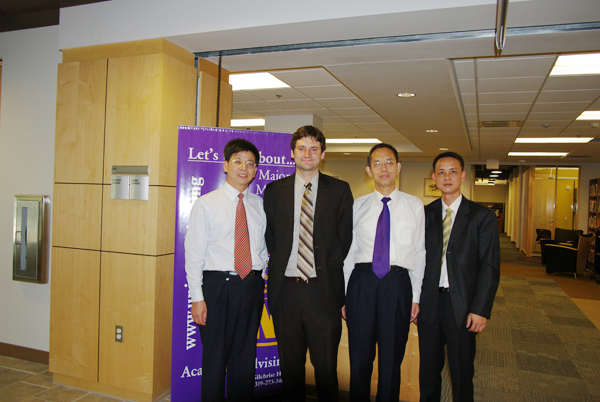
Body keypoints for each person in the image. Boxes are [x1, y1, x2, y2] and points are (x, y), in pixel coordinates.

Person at [263, 125, 353, 402]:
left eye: (314, 149)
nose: (307, 154)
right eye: (301, 148)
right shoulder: (274, 190)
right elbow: (271, 237)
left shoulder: (339, 190)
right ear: (292, 153)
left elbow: (344, 239)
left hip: (322, 292)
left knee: (325, 369)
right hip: (285, 292)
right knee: (290, 369)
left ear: (322, 154)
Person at [184, 138, 267, 402]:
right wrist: (197, 298)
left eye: (250, 163)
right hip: (217, 287)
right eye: (238, 161)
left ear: (255, 170)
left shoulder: (260, 205)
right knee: (215, 360)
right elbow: (194, 254)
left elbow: (262, 248)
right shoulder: (206, 203)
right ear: (225, 165)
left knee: (245, 357)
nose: (244, 167)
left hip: (251, 286)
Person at [343, 143, 425, 402]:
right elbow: (348, 254)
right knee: (359, 358)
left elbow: (419, 252)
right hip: (362, 284)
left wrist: (416, 296)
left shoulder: (414, 205)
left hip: (397, 284)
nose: (383, 168)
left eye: (389, 162)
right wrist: (344, 295)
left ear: (398, 167)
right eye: (376, 163)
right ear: (369, 170)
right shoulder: (357, 206)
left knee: (391, 360)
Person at [418, 151, 500, 402]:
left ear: (463, 175)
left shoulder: (482, 216)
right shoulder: (424, 213)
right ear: (434, 177)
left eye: (452, 171)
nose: (447, 177)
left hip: (463, 306)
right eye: (441, 172)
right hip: (430, 304)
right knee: (428, 371)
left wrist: (481, 309)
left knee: (462, 371)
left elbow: (489, 266)